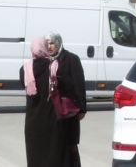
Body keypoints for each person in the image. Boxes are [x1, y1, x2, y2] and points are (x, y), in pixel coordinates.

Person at [22, 34, 87, 166]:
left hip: (37, 121)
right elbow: (68, 86)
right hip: (55, 118)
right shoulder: (52, 67)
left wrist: (82, 107)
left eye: (52, 43)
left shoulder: (25, 69)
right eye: (47, 44)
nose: (49, 46)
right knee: (59, 154)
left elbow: (79, 85)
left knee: (41, 155)